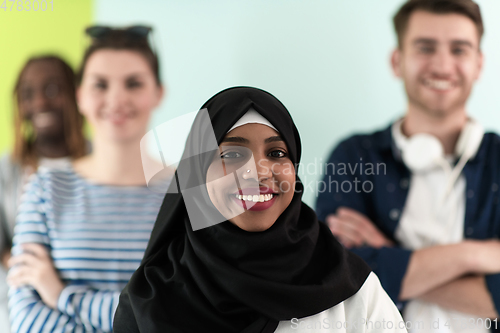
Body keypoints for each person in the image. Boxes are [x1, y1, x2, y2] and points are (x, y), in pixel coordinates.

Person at [113, 87, 407, 333]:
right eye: (232, 154)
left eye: (277, 153)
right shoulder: (152, 295)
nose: (258, 171)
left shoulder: (350, 288)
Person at [316, 0, 500, 332]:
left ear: (478, 64)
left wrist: (388, 256)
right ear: (397, 61)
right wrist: (475, 255)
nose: (443, 66)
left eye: (459, 50)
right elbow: (334, 279)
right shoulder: (354, 157)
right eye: (425, 48)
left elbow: (364, 271)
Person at [7, 25, 172, 332]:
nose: (117, 98)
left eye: (134, 83)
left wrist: (61, 295)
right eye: (100, 84)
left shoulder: (188, 192)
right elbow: (26, 318)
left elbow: (182, 311)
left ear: (158, 93)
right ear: (80, 96)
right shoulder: (44, 188)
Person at [0, 55, 87, 333]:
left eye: (52, 90)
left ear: (77, 95)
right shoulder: (6, 170)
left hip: (87, 308)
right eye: (28, 94)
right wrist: (35, 272)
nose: (39, 102)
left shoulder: (104, 163)